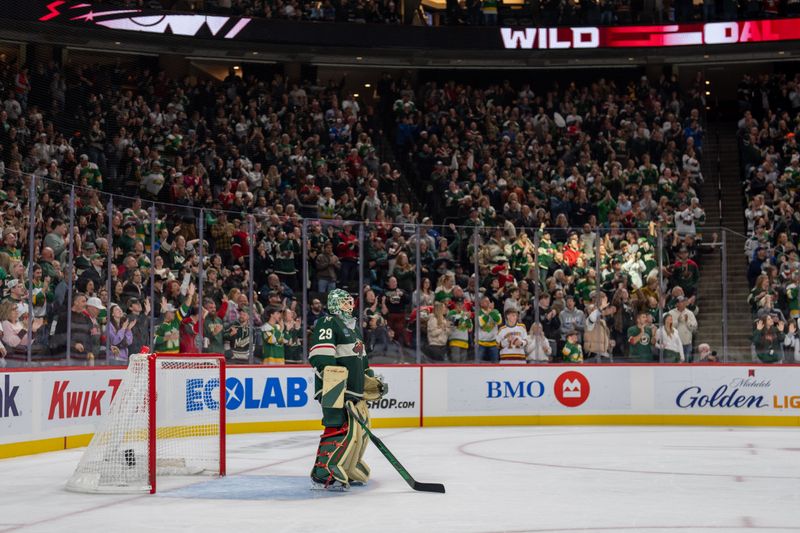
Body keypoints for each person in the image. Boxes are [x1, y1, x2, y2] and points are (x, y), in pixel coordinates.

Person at [308, 289, 387, 490]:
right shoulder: (328, 322)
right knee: (337, 426)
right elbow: (321, 356)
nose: (349, 305)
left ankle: (348, 465)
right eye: (344, 302)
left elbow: (363, 362)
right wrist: (336, 388)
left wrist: (370, 381)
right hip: (334, 388)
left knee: (358, 430)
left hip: (352, 390)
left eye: (348, 302)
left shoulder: (354, 329)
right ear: (334, 305)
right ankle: (322, 472)